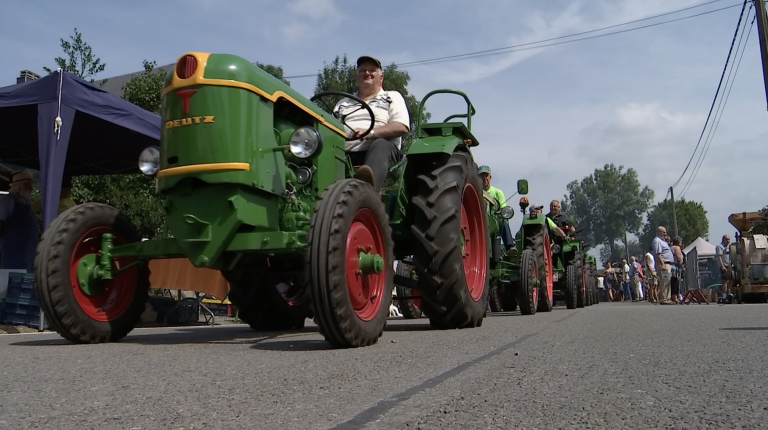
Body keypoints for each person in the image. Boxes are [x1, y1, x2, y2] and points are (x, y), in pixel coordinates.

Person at [333, 55, 410, 193]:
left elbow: (401, 126)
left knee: (380, 143)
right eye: (362, 70)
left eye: (372, 70)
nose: (367, 73)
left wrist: (371, 132)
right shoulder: (343, 103)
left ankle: (368, 193)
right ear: (356, 77)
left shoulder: (392, 97)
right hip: (344, 154)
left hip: (381, 152)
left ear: (381, 78)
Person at [0, 171, 39, 272]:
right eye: (27, 185)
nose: (30, 189)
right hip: (12, 254)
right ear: (18, 187)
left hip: (28, 255)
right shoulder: (8, 200)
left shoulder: (26, 204)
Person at [477, 165, 514, 250]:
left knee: (503, 222)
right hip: (479, 220)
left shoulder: (497, 192)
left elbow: (503, 209)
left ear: (490, 177)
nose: (484, 178)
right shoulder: (476, 192)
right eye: (482, 176)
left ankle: (509, 246)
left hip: (494, 221)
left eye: (486, 175)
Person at [652, 225, 676, 305]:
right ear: (658, 232)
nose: (665, 233)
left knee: (667, 281)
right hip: (663, 263)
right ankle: (663, 299)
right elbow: (658, 253)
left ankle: (667, 297)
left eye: (665, 232)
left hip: (667, 263)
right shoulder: (657, 241)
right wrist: (662, 264)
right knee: (664, 281)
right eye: (663, 232)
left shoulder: (663, 241)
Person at [715, 234, 732, 303]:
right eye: (727, 239)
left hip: (730, 265)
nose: (728, 241)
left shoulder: (730, 247)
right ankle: (724, 297)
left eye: (729, 239)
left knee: (730, 280)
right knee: (725, 281)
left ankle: (729, 294)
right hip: (724, 265)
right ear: (723, 240)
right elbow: (719, 257)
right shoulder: (720, 246)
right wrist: (722, 266)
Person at [670, 236, 685, 303]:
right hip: (675, 267)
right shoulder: (677, 248)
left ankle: (672, 296)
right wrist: (682, 266)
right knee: (675, 282)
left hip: (670, 266)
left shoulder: (670, 247)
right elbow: (679, 258)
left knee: (671, 282)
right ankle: (675, 297)